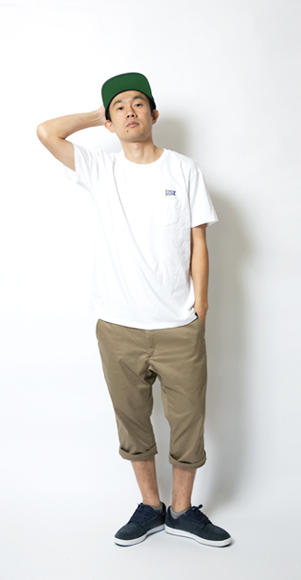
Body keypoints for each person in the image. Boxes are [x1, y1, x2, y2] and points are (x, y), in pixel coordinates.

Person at [36, 72, 231, 547]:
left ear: (154, 114)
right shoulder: (100, 169)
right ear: (109, 121)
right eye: (119, 106)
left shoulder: (183, 169)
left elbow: (198, 241)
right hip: (118, 325)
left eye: (138, 103)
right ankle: (150, 506)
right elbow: (46, 132)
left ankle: (182, 511)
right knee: (132, 420)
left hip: (178, 324)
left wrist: (201, 307)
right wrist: (97, 114)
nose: (129, 112)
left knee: (188, 422)